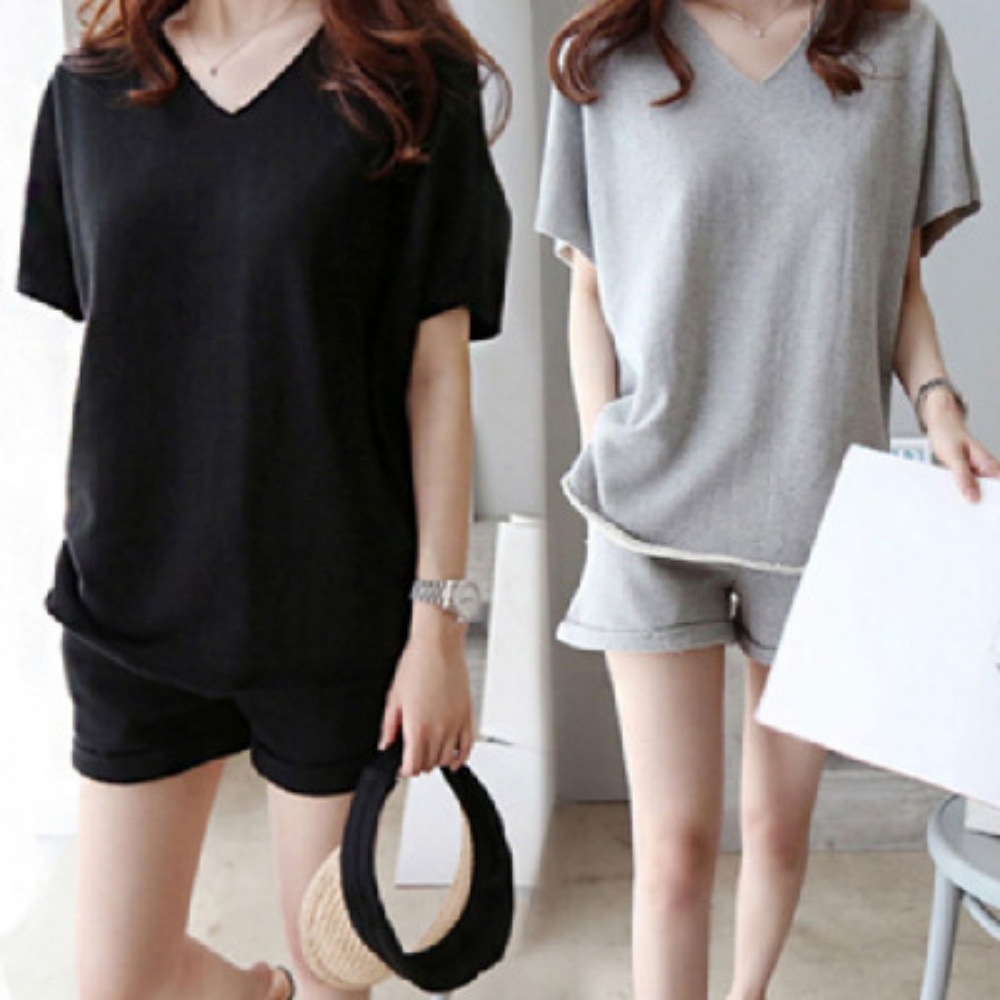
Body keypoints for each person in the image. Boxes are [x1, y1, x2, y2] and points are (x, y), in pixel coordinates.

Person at [17, 0, 511, 996]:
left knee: (334, 972)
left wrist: (438, 626)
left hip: (332, 608)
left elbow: (437, 378)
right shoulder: (92, 87)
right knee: (115, 986)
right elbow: (122, 333)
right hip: (132, 599)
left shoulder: (408, 75)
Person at [536, 1, 998, 998]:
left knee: (779, 828)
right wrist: (601, 446)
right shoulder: (606, 51)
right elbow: (590, 287)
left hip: (820, 503)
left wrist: (938, 404)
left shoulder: (899, 46)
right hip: (649, 508)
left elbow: (898, 277)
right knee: (673, 848)